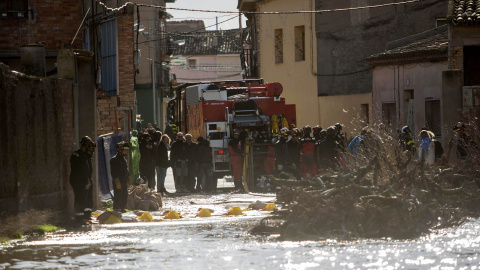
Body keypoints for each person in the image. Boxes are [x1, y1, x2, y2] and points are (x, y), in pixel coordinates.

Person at [70, 136, 96, 225]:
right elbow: (78, 170)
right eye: (89, 146)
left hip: (86, 181)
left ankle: (86, 217)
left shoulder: (86, 156)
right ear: (85, 145)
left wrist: (88, 181)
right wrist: (84, 181)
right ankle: (78, 218)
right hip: (79, 182)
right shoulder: (77, 155)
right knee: (80, 199)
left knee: (86, 200)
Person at [110, 141, 131, 212]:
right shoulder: (114, 159)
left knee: (124, 196)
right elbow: (114, 172)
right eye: (125, 150)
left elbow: (126, 169)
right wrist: (117, 181)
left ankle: (122, 209)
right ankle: (116, 209)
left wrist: (129, 178)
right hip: (119, 182)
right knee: (118, 196)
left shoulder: (123, 159)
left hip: (124, 181)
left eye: (127, 150)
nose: (126, 151)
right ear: (119, 150)